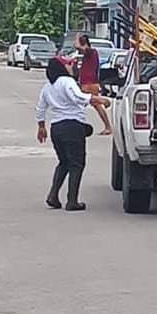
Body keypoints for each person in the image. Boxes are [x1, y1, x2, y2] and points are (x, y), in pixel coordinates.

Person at [36, 56, 110, 212]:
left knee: (64, 162)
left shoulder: (48, 86)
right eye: (69, 64)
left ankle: (53, 195)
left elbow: (41, 108)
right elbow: (77, 97)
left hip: (56, 127)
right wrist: (98, 99)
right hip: (72, 125)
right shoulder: (66, 81)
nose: (72, 66)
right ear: (62, 68)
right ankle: (72, 201)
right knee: (77, 163)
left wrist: (41, 126)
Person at [76, 34, 113, 135]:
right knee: (87, 104)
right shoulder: (89, 54)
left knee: (86, 103)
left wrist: (77, 38)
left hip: (90, 83)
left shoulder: (91, 51)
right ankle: (107, 126)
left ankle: (104, 102)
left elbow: (79, 47)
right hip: (88, 83)